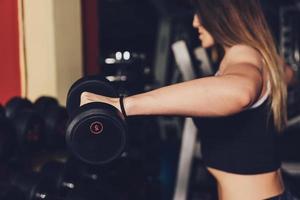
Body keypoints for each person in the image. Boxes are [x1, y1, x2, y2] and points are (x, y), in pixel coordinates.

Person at [80, 0, 299, 199]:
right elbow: (289, 74)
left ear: (224, 15)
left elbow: (240, 94)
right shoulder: (259, 57)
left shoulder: (243, 58)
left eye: (200, 13)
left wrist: (124, 105)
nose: (195, 22)